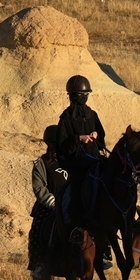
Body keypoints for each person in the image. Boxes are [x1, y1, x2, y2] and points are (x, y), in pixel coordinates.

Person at [55, 75, 111, 268]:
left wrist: (96, 136)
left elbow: (102, 136)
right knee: (77, 189)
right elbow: (62, 145)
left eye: (86, 95)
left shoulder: (92, 114)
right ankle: (77, 229)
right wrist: (79, 138)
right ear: (74, 96)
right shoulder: (66, 117)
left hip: (94, 160)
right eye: (82, 95)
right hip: (77, 164)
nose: (85, 98)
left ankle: (109, 235)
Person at [27, 125, 69, 280]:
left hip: (70, 205)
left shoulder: (73, 161)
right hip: (48, 206)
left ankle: (101, 257)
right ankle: (38, 264)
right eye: (55, 142)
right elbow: (39, 188)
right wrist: (55, 203)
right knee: (37, 228)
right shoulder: (41, 163)